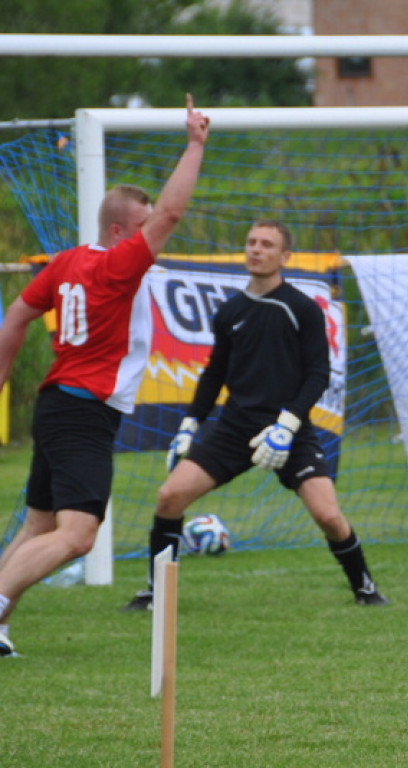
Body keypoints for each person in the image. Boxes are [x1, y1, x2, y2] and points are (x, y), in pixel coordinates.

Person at [0, 96, 211, 658]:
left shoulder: (67, 261)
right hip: (83, 410)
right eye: (142, 230)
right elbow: (170, 214)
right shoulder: (118, 266)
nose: (153, 238)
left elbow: (17, 315)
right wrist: (194, 144)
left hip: (57, 403)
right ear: (122, 231)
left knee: (38, 526)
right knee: (79, 535)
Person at [122, 219, 387, 612]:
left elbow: (317, 375)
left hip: (289, 431)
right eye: (251, 242)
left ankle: (365, 588)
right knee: (169, 497)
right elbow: (215, 372)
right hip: (234, 429)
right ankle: (156, 592)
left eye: (266, 244)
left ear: (285, 256)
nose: (256, 250)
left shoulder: (302, 309)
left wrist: (287, 425)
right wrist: (190, 424)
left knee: (329, 515)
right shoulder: (230, 311)